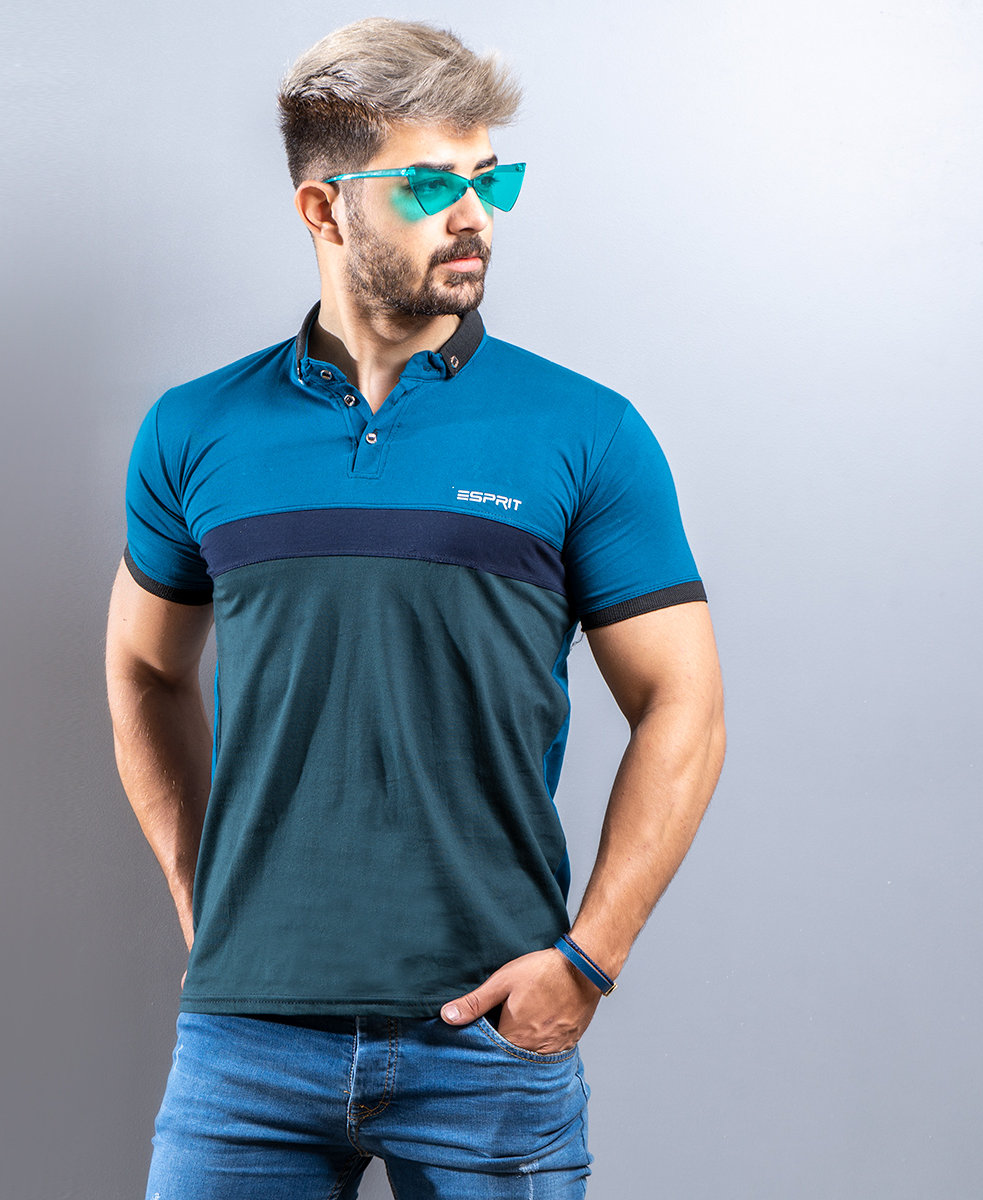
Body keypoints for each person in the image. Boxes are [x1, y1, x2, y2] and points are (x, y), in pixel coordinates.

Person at [105, 17, 725, 1199]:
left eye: (491, 178)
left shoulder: (586, 432)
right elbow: (143, 667)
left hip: (487, 1038)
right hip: (244, 1044)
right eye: (433, 184)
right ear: (323, 209)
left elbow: (684, 703)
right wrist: (199, 891)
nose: (475, 214)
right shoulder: (193, 429)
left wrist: (589, 960)